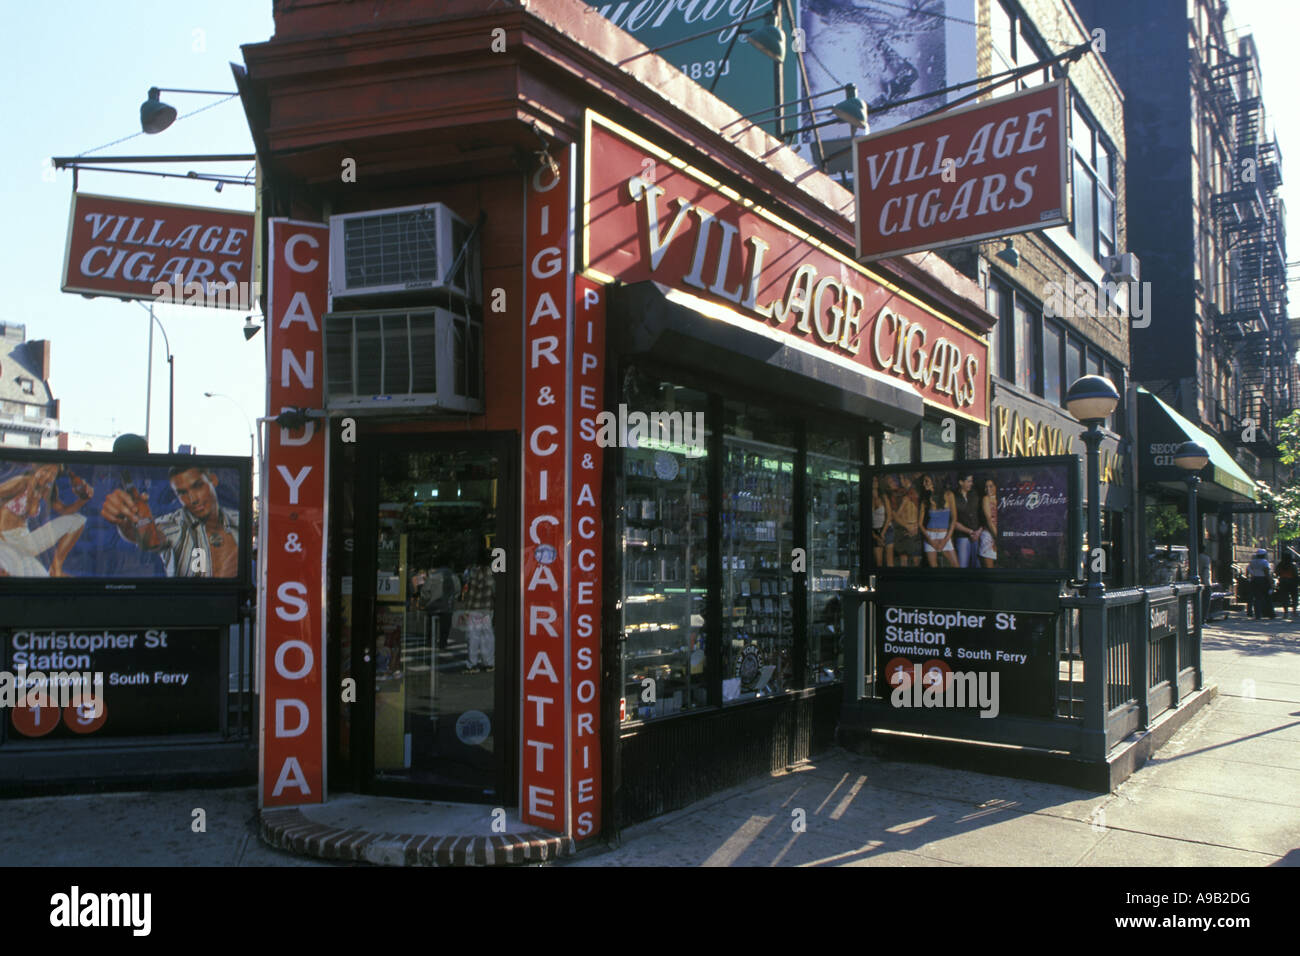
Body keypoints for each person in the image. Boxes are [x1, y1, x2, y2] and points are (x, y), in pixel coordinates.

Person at [100, 466, 240, 577]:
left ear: (213, 480)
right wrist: (128, 523)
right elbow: (149, 538)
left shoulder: (239, 520)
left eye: (197, 486)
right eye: (182, 493)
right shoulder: (175, 525)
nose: (193, 499)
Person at [0, 464, 94, 577]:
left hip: (26, 541)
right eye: (45, 471)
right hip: (5, 541)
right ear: (37, 469)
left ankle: (55, 567)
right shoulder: (22, 482)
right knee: (40, 578)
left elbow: (64, 510)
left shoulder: (46, 489)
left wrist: (84, 499)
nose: (47, 476)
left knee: (77, 520)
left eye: (52, 474)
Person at [459, 546, 495, 672]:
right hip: (487, 609)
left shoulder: (475, 572)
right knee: (487, 636)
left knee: (473, 637)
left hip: (475, 609)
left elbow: (472, 593)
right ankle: (488, 663)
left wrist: (466, 610)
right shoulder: (492, 572)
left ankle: (472, 664)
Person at [919, 473, 959, 568]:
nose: (924, 484)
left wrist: (945, 540)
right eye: (923, 481)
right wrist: (930, 541)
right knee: (934, 569)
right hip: (930, 536)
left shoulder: (949, 495)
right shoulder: (925, 499)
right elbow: (919, 524)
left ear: (934, 481)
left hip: (944, 535)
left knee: (956, 566)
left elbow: (954, 519)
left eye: (926, 481)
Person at [890, 475, 922, 567]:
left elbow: (922, 512)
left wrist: (915, 527)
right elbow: (895, 515)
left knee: (915, 558)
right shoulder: (900, 494)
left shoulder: (916, 494)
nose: (900, 481)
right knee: (904, 559)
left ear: (906, 479)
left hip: (914, 529)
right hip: (905, 529)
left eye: (901, 479)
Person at [950, 472, 980, 568]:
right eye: (968, 481)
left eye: (971, 481)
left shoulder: (975, 494)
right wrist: (969, 531)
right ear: (960, 482)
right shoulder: (953, 496)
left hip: (977, 534)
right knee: (962, 565)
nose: (971, 483)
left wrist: (979, 531)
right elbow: (952, 520)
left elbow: (982, 514)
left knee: (977, 566)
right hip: (962, 535)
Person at [871, 475, 894, 568]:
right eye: (872, 480)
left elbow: (889, 516)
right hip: (874, 531)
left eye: (876, 480)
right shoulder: (868, 498)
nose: (874, 482)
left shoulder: (884, 497)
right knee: (878, 563)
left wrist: (882, 534)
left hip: (886, 529)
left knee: (889, 562)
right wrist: (875, 535)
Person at [977, 477, 999, 568]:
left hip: (999, 534)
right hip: (989, 535)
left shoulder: (1001, 498)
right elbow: (989, 520)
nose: (988, 489)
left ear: (996, 486)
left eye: (991, 486)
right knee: (989, 569)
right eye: (986, 487)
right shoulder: (985, 499)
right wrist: (998, 538)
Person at [1246, 548, 1272, 620]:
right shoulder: (1265, 562)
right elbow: (1266, 572)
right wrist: (1270, 581)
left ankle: (1258, 614)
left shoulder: (1252, 562)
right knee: (1266, 597)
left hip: (1254, 579)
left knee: (1257, 598)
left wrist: (1249, 576)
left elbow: (1248, 570)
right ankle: (1268, 613)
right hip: (1263, 579)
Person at [1275, 551, 1297, 619]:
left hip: (1283, 581)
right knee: (1294, 597)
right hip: (1292, 582)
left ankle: (1286, 613)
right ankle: (1294, 611)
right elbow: (1295, 574)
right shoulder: (1292, 565)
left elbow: (1276, 573)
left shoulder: (1280, 565)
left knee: (1285, 597)